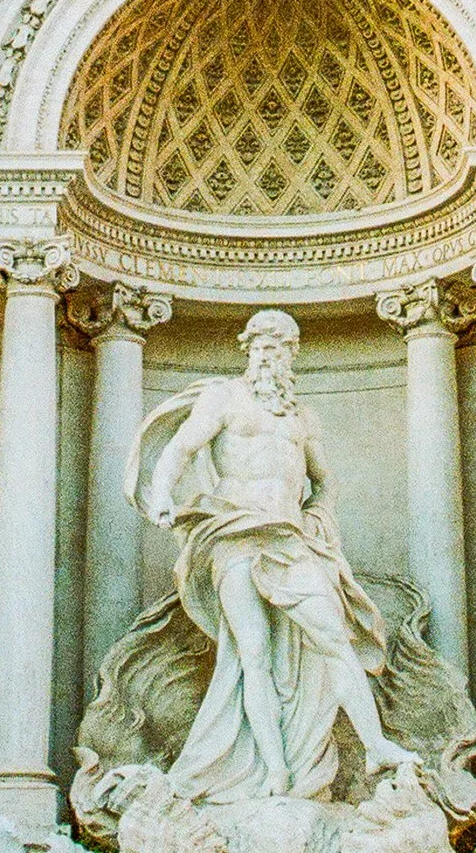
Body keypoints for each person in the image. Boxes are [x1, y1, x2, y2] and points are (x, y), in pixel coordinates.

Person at [135, 309, 412, 803]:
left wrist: (318, 518)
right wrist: (160, 494)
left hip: (288, 538)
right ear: (248, 350)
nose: (268, 352)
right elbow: (179, 449)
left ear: (292, 355)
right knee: (252, 656)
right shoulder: (225, 398)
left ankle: (375, 746)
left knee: (335, 636)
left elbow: (323, 481)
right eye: (260, 344)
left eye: (278, 345)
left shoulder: (303, 418)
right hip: (234, 536)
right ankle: (276, 772)